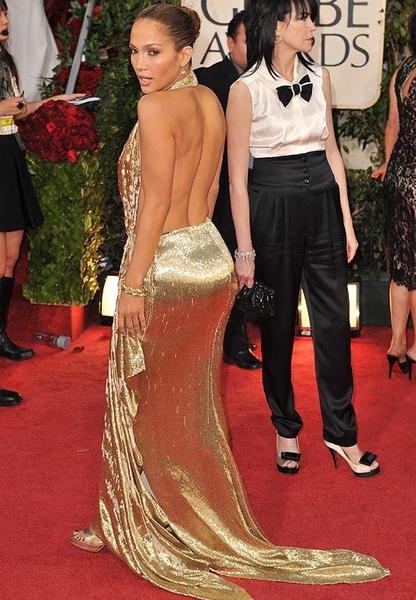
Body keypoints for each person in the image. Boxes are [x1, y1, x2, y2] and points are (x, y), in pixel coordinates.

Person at [70, 5, 388, 598]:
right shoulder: (210, 102)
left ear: (185, 54)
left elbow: (154, 205)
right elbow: (216, 185)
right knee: (191, 406)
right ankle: (174, 510)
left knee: (136, 400)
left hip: (164, 266)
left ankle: (127, 519)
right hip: (207, 259)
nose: (140, 64)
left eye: (153, 52)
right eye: (135, 52)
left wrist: (132, 285)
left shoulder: (155, 108)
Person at [227, 0, 381, 478]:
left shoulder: (322, 77)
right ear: (276, 27)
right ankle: (286, 428)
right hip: (271, 206)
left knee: (333, 323)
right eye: (304, 17)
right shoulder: (244, 89)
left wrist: (347, 222)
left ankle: (342, 433)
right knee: (276, 327)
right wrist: (245, 250)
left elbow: (332, 151)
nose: (313, 25)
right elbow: (236, 179)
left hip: (323, 204)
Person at [0, 0, 83, 405]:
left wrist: (55, 103)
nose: (5, 19)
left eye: (4, 12)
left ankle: (0, 334)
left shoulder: (7, 61)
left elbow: (17, 112)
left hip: (9, 155)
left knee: (9, 259)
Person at [195, 11, 261, 370]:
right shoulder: (207, 80)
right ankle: (216, 342)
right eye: (248, 39)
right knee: (223, 269)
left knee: (251, 266)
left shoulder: (269, 80)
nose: (256, 46)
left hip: (262, 190)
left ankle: (238, 337)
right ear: (230, 42)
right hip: (218, 193)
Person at [371, 11, 416, 380]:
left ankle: (397, 343)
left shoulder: (402, 71)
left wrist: (388, 164)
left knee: (401, 264)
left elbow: (392, 124)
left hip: (399, 175)